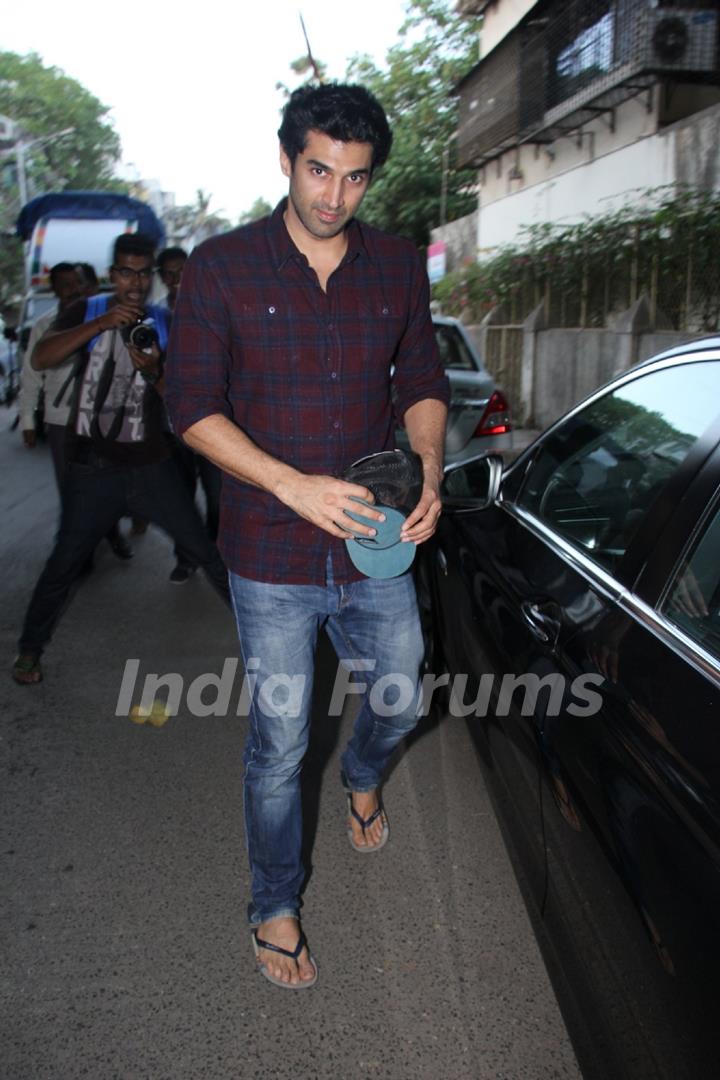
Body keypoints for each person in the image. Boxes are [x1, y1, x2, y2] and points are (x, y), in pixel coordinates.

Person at [165, 83, 449, 989]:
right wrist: (289, 484)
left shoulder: (398, 265)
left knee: (403, 697)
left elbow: (424, 381)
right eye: (318, 170)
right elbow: (190, 408)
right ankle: (275, 904)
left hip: (374, 542)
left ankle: (363, 771)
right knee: (279, 744)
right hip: (270, 554)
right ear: (286, 158)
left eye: (355, 179)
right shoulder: (220, 267)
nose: (333, 196)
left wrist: (431, 467)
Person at [11, 233, 231, 686]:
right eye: (127, 272)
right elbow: (41, 355)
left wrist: (153, 371)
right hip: (92, 468)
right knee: (64, 562)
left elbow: (180, 399)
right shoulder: (86, 310)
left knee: (207, 554)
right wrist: (101, 323)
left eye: (144, 272)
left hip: (152, 464)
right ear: (113, 274)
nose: (136, 282)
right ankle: (30, 651)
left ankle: (268, 641)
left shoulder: (166, 321)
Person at [18, 261, 133, 561]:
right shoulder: (45, 326)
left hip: (101, 417)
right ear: (53, 288)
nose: (72, 290)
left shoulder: (106, 319)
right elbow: (31, 375)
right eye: (65, 284)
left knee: (107, 480)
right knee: (70, 486)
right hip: (61, 418)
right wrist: (28, 419)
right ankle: (77, 551)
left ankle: (111, 532)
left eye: (77, 283)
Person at [156, 246, 223, 584]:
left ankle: (217, 557)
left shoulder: (211, 308)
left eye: (181, 272)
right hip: (171, 428)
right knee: (180, 499)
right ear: (161, 278)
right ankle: (186, 558)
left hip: (214, 424)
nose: (176, 280)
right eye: (168, 274)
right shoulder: (153, 319)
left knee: (218, 497)